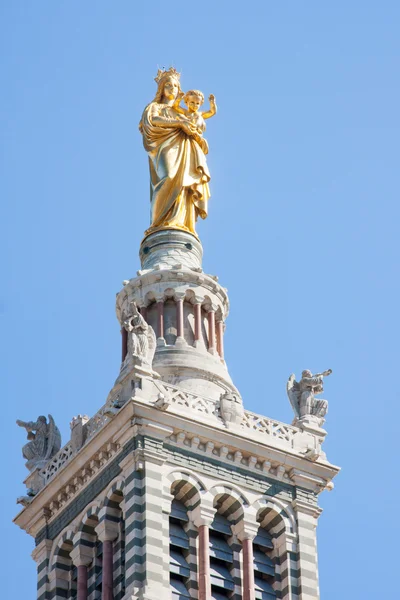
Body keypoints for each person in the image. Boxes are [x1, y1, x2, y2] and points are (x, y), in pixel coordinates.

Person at [139, 68, 211, 236]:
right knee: (169, 176)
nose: (172, 89)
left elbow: (196, 128)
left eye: (176, 86)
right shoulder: (155, 107)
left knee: (185, 184)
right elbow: (152, 121)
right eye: (169, 85)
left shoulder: (182, 111)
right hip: (166, 146)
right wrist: (179, 124)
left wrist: (197, 136)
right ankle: (157, 223)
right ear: (162, 89)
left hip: (186, 148)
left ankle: (181, 221)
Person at [173, 90, 217, 154]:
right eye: (192, 102)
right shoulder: (185, 112)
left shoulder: (200, 114)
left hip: (196, 138)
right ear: (186, 102)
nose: (195, 105)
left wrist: (212, 103)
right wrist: (179, 98)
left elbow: (212, 112)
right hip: (185, 136)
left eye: (197, 103)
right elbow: (175, 106)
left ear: (201, 104)